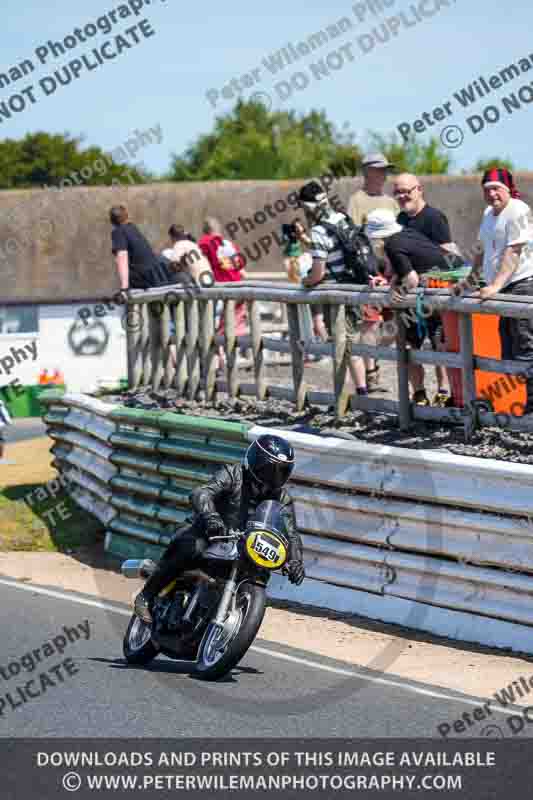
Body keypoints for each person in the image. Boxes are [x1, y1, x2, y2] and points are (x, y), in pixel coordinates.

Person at [134, 434, 305, 623]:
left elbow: (291, 534)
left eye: (281, 472)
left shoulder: (282, 499)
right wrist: (211, 517)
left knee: (261, 572)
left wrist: (296, 560)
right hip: (207, 532)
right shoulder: (233, 474)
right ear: (255, 461)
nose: (274, 477)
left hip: (243, 547)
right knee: (192, 547)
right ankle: (146, 596)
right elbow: (202, 492)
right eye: (269, 469)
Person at [455, 168, 533, 415]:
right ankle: (525, 404)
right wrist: (470, 281)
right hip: (501, 286)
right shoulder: (489, 213)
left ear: (508, 189)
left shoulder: (518, 210)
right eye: (487, 189)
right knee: (509, 350)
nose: (491, 194)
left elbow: (514, 252)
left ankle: (531, 406)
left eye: (496, 188)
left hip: (521, 284)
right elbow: (481, 250)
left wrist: (496, 285)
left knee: (526, 346)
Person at [366, 209, 453, 406]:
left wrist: (391, 291)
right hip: (440, 294)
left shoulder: (392, 245)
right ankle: (443, 393)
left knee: (410, 345)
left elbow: (411, 280)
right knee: (440, 346)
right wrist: (388, 282)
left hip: (429, 298)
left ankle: (421, 394)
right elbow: (409, 269)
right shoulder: (408, 234)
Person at [393, 173, 465, 405]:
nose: (403, 196)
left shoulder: (434, 218)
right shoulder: (399, 220)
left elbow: (450, 259)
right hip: (409, 294)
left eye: (407, 191)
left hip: (434, 292)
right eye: (398, 192)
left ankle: (444, 391)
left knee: (439, 343)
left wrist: (426, 278)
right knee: (407, 343)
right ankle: (419, 392)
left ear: (419, 189)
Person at [299, 180, 374, 399]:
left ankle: (351, 396)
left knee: (343, 346)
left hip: (336, 293)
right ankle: (361, 391)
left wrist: (305, 282)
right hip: (354, 286)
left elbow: (318, 273)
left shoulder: (319, 230)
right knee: (350, 343)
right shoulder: (342, 218)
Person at [348, 152, 399, 390]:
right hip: (370, 270)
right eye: (378, 169)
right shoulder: (357, 201)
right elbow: (355, 238)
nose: (383, 174)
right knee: (369, 323)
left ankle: (374, 359)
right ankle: (371, 373)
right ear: (367, 171)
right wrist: (368, 269)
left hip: (393, 269)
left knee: (395, 323)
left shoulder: (391, 202)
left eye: (385, 170)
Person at [199, 217, 248, 372]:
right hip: (238, 287)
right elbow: (240, 267)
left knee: (212, 327)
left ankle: (217, 361)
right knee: (232, 326)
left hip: (219, 289)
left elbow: (203, 267)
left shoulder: (204, 243)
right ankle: (230, 359)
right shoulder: (228, 244)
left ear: (205, 230)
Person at [110, 205, 170, 293]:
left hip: (142, 278)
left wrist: (124, 287)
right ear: (127, 217)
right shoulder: (133, 228)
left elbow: (122, 256)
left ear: (111, 221)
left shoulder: (118, 232)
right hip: (156, 276)